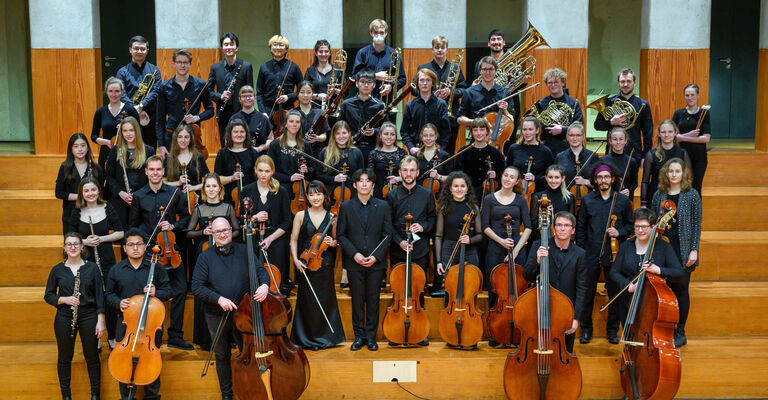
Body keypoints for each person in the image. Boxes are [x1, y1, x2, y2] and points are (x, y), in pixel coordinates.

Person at [191, 217, 270, 400]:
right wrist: (218, 299)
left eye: (225, 230)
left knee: (247, 353)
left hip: (244, 313)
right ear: (212, 233)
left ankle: (249, 391)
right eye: (218, 231)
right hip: (216, 314)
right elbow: (196, 287)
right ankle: (227, 394)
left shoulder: (245, 250)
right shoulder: (205, 257)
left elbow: (261, 271)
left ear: (231, 231)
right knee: (221, 355)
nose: (222, 234)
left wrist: (265, 285)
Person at [129, 155, 192, 350]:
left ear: (163, 171)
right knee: (151, 294)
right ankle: (154, 335)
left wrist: (173, 225)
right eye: (152, 170)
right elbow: (133, 226)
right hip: (150, 253)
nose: (155, 173)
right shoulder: (139, 196)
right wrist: (145, 239)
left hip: (171, 250)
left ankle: (175, 336)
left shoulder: (174, 193)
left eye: (158, 169)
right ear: (146, 172)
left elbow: (187, 219)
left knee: (180, 291)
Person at [105, 228, 171, 400]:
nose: (135, 248)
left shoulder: (156, 268)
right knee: (124, 361)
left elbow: (170, 291)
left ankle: (151, 396)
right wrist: (118, 302)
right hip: (126, 326)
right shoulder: (116, 270)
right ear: (124, 248)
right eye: (131, 245)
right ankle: (127, 397)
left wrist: (157, 292)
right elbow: (108, 295)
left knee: (151, 360)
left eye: (139, 244)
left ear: (144, 247)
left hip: (150, 326)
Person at [576, 162, 634, 345]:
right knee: (587, 294)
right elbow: (581, 228)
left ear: (612, 179)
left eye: (606, 177)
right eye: (600, 177)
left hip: (614, 255)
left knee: (615, 294)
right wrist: (583, 251)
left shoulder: (622, 201)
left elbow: (631, 226)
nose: (603, 180)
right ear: (595, 180)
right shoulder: (587, 200)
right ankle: (586, 330)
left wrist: (619, 232)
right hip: (590, 254)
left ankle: (612, 331)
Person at [44, 232, 106, 400]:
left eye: (76, 244)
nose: (72, 247)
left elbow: (100, 296)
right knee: (64, 357)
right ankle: (66, 396)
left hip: (89, 315)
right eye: (69, 244)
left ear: (82, 246)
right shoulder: (57, 270)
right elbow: (48, 295)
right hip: (64, 316)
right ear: (64, 248)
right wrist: (63, 299)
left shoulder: (92, 268)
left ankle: (95, 395)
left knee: (92, 356)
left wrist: (100, 320)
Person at [336, 168, 393, 351]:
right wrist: (355, 254)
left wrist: (375, 257)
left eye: (368, 181)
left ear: (373, 185)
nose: (364, 184)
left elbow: (388, 234)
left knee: (373, 301)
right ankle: (359, 336)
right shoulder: (346, 207)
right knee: (357, 301)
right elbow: (341, 235)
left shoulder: (383, 206)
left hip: (376, 264)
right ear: (354, 184)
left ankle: (371, 337)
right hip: (355, 262)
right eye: (360, 180)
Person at [610, 207, 684, 337]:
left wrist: (658, 269)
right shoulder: (626, 246)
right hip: (628, 302)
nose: (640, 230)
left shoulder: (663, 247)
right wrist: (628, 286)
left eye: (644, 227)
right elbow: (614, 272)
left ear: (653, 227)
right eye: (637, 226)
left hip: (654, 303)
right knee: (629, 336)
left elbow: (679, 273)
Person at [67, 176, 124, 348]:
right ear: (81, 193)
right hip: (86, 260)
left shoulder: (108, 207)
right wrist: (85, 242)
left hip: (106, 259)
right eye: (86, 191)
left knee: (109, 297)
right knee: (90, 298)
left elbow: (120, 232)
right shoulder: (77, 212)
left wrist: (102, 239)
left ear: (99, 190)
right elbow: (70, 238)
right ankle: (96, 336)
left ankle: (112, 336)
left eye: (93, 189)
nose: (90, 193)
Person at [289, 181, 346, 349]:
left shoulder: (332, 217)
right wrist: (296, 260)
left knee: (325, 299)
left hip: (325, 263)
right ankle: (305, 338)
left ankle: (326, 338)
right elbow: (293, 239)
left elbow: (336, 241)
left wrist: (332, 242)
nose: (315, 198)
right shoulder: (300, 215)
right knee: (307, 301)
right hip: (305, 263)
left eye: (318, 194)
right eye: (312, 194)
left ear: (325, 196)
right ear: (307, 197)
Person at [651, 158, 702, 347]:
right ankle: (664, 329)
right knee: (663, 291)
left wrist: (694, 250)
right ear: (666, 173)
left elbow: (696, 225)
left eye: (677, 171)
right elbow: (654, 221)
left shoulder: (692, 195)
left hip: (683, 249)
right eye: (670, 171)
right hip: (662, 249)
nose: (673, 175)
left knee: (681, 290)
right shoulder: (659, 194)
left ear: (683, 174)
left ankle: (680, 331)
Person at [385, 156, 436, 341]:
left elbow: (433, 219)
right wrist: (400, 242)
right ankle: (396, 329)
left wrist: (423, 227)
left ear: (417, 172)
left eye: (412, 170)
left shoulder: (426, 194)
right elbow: (387, 225)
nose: (408, 174)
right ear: (399, 173)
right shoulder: (391, 196)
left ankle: (419, 331)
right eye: (405, 170)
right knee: (398, 290)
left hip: (419, 250)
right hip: (398, 250)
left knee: (417, 290)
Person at [523, 211, 587, 353]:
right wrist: (537, 261)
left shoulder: (580, 254)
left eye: (566, 225)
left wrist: (576, 318)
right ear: (553, 228)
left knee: (565, 352)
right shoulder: (538, 245)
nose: (562, 229)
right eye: (559, 225)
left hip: (566, 311)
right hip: (540, 308)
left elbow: (582, 288)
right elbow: (527, 276)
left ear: (573, 230)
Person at [482, 166, 532, 327]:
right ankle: (495, 328)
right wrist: (501, 241)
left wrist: (516, 251)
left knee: (518, 287)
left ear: (517, 181)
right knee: (494, 288)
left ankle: (518, 327)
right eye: (505, 175)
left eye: (512, 177)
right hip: (495, 248)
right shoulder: (489, 199)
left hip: (516, 248)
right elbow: (485, 227)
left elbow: (528, 227)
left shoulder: (521, 200)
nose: (507, 179)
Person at [241, 155, 293, 295]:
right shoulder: (247, 190)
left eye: (267, 171)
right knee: (253, 274)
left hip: (276, 239)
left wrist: (270, 239)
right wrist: (254, 218)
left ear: (273, 171)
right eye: (260, 170)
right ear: (255, 170)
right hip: (254, 238)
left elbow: (287, 221)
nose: (263, 174)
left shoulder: (281, 191)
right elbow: (242, 218)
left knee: (275, 275)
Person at [155, 48, 214, 159]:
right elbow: (160, 120)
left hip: (192, 136)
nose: (182, 65)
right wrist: (161, 145)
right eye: (179, 62)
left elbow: (210, 111)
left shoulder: (200, 85)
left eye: (185, 62)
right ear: (174, 64)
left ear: (190, 64)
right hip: (171, 136)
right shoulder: (164, 87)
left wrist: (197, 117)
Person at [415, 35, 467, 153]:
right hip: (429, 113)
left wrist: (451, 92)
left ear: (447, 50)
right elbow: (414, 90)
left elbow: (464, 89)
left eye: (442, 47)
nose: (439, 50)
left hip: (451, 116)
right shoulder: (423, 68)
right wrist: (430, 93)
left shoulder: (455, 68)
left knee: (449, 150)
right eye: (437, 47)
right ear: (432, 49)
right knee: (426, 148)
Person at [104, 116, 156, 229]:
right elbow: (109, 176)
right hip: (121, 199)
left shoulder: (149, 151)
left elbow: (152, 177)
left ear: (137, 131)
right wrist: (121, 193)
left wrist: (138, 195)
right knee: (123, 232)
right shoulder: (115, 150)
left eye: (131, 130)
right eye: (125, 130)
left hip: (142, 199)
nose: (128, 134)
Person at [593, 68, 653, 162]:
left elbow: (648, 134)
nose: (625, 84)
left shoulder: (643, 105)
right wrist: (611, 122)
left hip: (634, 152)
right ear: (618, 83)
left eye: (629, 81)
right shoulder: (609, 102)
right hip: (612, 152)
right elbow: (597, 125)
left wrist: (645, 156)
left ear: (634, 82)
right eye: (622, 81)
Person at [434, 172, 483, 281]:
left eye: (462, 186)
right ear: (450, 189)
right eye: (455, 186)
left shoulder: (473, 208)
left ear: (467, 189)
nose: (459, 189)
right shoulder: (444, 208)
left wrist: (470, 240)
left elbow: (480, 235)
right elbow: (438, 236)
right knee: (451, 284)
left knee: (470, 283)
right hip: (449, 250)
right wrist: (438, 261)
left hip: (469, 251)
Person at [208, 32, 254, 146]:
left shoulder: (246, 67)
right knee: (225, 145)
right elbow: (208, 91)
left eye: (231, 44)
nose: (229, 47)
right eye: (226, 45)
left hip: (242, 113)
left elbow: (250, 92)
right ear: (222, 48)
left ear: (236, 47)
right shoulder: (215, 68)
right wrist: (220, 96)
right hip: (223, 114)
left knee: (242, 144)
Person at [116, 35, 162, 148]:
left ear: (147, 51)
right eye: (136, 48)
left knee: (150, 147)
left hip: (150, 114)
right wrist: (135, 108)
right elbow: (121, 93)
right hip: (130, 115)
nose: (139, 51)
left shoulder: (155, 71)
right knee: (131, 147)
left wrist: (142, 105)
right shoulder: (122, 72)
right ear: (130, 50)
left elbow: (156, 91)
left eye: (142, 49)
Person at [56, 133, 104, 234]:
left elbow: (102, 192)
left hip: (93, 214)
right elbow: (59, 193)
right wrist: (81, 196)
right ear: (71, 149)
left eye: (83, 145)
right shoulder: (65, 167)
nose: (80, 149)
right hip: (70, 214)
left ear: (87, 148)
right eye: (76, 146)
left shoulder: (96, 168)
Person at [531, 68, 584, 156]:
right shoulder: (540, 103)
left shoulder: (574, 103)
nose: (553, 85)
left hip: (568, 148)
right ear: (546, 84)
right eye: (550, 83)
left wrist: (562, 130)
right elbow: (536, 127)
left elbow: (579, 127)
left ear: (563, 83)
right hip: (547, 148)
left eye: (556, 82)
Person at [352, 19, 406, 104]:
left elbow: (402, 78)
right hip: (365, 101)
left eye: (381, 32)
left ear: (386, 33)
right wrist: (374, 76)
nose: (379, 35)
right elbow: (355, 76)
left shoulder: (394, 54)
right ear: (371, 33)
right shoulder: (362, 53)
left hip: (387, 101)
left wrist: (391, 86)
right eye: (376, 32)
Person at [90, 77, 140, 169]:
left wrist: (126, 129)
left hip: (128, 151)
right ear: (106, 92)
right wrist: (107, 142)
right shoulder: (100, 112)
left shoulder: (130, 110)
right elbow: (93, 136)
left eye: (117, 91)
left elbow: (140, 133)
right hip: (106, 152)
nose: (114, 94)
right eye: (110, 91)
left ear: (122, 92)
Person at [267, 110, 316, 201]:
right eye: (291, 121)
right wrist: (289, 178)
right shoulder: (275, 145)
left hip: (301, 189)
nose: (294, 124)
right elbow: (270, 172)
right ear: (285, 124)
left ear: (300, 125)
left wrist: (307, 170)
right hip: (281, 188)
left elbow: (313, 168)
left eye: (297, 122)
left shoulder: (305, 144)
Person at [641, 120, 692, 207]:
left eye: (670, 132)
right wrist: (643, 203)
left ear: (675, 133)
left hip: (677, 197)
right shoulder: (651, 155)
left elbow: (688, 178)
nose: (667, 135)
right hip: (655, 197)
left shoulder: (683, 153)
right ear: (659, 134)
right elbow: (645, 181)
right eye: (663, 132)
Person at [338, 68, 385, 161]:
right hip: (351, 148)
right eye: (362, 82)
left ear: (374, 85)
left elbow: (386, 128)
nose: (366, 85)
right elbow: (340, 126)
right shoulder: (346, 104)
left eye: (369, 82)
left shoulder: (380, 105)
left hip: (374, 149)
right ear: (357, 84)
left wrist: (374, 131)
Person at [401, 68, 450, 153]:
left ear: (432, 83)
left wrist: (441, 149)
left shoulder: (441, 104)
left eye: (428, 80)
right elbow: (404, 131)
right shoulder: (410, 105)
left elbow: (446, 131)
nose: (424, 83)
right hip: (416, 150)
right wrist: (411, 147)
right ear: (417, 83)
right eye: (421, 80)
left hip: (436, 150)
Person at [673, 83, 711, 194]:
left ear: (698, 95)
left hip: (699, 157)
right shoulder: (678, 113)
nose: (690, 98)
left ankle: (696, 207)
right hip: (681, 155)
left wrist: (683, 138)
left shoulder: (704, 113)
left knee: (696, 188)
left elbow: (706, 138)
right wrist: (689, 135)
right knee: (681, 187)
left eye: (692, 95)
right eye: (687, 95)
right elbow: (673, 137)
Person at [455, 118, 505, 199]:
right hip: (468, 195)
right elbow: (457, 174)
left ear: (487, 132)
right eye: (475, 130)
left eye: (482, 130)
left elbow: (503, 173)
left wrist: (496, 175)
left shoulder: (496, 153)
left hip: (489, 194)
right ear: (471, 132)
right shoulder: (463, 152)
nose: (479, 133)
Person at [213, 119, 261, 206]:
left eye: (242, 132)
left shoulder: (253, 153)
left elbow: (259, 177)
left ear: (246, 134)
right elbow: (217, 179)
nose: (239, 135)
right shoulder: (222, 153)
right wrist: (231, 178)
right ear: (230, 134)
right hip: (228, 198)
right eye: (235, 132)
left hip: (250, 197)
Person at [318, 120, 366, 202]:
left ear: (349, 134)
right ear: (333, 135)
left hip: (352, 195)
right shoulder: (325, 152)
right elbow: (318, 175)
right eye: (338, 133)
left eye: (344, 133)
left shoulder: (357, 152)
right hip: (331, 195)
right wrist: (334, 178)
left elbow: (361, 176)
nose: (341, 136)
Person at [457, 56, 513, 127]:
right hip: (477, 132)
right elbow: (460, 119)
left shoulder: (504, 92)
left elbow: (511, 119)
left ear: (496, 70)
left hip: (498, 133)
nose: (487, 72)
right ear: (480, 71)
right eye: (484, 69)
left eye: (491, 69)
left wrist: (505, 110)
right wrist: (477, 122)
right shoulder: (469, 92)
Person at [505, 116, 555, 193]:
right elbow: (507, 170)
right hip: (515, 191)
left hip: (537, 192)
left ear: (537, 130)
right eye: (524, 129)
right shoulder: (514, 148)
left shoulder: (545, 151)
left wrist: (535, 178)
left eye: (530, 129)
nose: (527, 133)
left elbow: (551, 176)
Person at [256, 35, 303, 115]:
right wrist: (263, 112)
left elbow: (301, 90)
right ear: (270, 48)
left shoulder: (293, 67)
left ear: (286, 49)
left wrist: (288, 97)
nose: (278, 48)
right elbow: (259, 93)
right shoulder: (264, 67)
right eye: (275, 45)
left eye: (281, 45)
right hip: (268, 112)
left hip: (288, 111)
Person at [163, 124, 210, 203]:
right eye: (180, 137)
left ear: (190, 139)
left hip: (195, 200)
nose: (183, 140)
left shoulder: (198, 157)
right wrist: (178, 183)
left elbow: (209, 181)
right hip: (174, 199)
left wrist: (194, 187)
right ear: (176, 139)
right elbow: (163, 182)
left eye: (186, 137)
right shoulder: (169, 158)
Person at [530, 165, 575, 242]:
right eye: (550, 177)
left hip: (562, 238)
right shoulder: (538, 197)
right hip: (541, 238)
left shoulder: (569, 197)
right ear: (546, 178)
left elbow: (571, 222)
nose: (553, 181)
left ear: (563, 178)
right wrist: (544, 217)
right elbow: (533, 224)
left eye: (557, 177)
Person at [367, 122, 407, 199]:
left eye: (392, 134)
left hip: (399, 194)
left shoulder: (402, 153)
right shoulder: (373, 154)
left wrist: (398, 178)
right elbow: (370, 177)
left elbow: (409, 174)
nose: (389, 137)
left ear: (395, 136)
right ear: (380, 135)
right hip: (379, 195)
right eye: (386, 134)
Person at [228, 85, 273, 153]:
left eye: (250, 95)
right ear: (240, 99)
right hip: (239, 155)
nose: (248, 98)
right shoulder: (234, 119)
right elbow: (227, 140)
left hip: (259, 155)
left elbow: (271, 140)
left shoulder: (263, 118)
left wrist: (259, 149)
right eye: (244, 96)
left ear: (255, 98)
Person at [555, 122, 595, 190]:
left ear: (583, 137)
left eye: (578, 135)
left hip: (588, 196)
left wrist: (586, 182)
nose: (575, 138)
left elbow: (600, 182)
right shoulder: (560, 157)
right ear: (567, 137)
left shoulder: (593, 156)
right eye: (571, 135)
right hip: (565, 195)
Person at [601, 127, 639, 199]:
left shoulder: (631, 161)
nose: (618, 142)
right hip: (608, 198)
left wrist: (629, 190)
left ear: (625, 141)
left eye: (621, 139)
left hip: (625, 198)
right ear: (610, 141)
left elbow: (634, 183)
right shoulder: (603, 160)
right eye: (615, 139)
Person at [294, 80, 330, 154]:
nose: (305, 95)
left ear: (312, 94)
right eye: (302, 92)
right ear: (297, 94)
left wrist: (317, 138)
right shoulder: (292, 113)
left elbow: (324, 136)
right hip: (296, 151)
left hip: (315, 153)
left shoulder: (320, 113)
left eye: (308, 92)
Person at [304, 39, 344, 103]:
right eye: (320, 51)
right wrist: (317, 96)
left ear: (330, 53)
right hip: (315, 107)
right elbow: (304, 93)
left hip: (333, 107)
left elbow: (346, 92)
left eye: (326, 51)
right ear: (316, 53)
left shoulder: (337, 70)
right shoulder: (310, 71)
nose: (323, 54)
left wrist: (335, 91)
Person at [415, 123, 452, 187]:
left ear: (436, 137)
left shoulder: (444, 156)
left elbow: (452, 179)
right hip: (419, 192)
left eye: (431, 135)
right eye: (425, 135)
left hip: (439, 192)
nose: (428, 138)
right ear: (421, 137)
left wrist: (438, 176)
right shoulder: (415, 156)